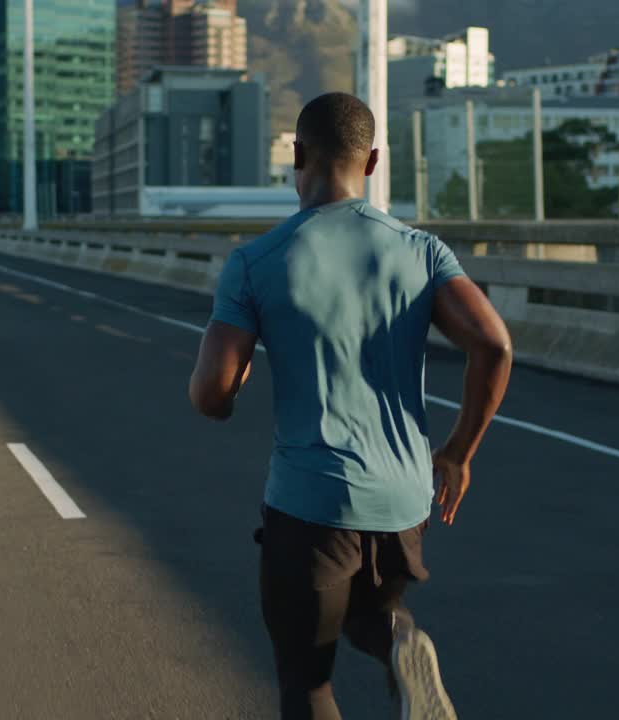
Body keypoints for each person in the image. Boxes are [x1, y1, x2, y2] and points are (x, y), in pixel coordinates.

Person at [188, 92, 513, 719]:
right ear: (372, 162)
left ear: (296, 155)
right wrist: (459, 453)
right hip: (403, 502)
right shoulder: (422, 251)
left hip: (310, 505)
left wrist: (235, 382)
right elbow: (493, 344)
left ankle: (390, 637)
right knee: (371, 613)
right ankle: (399, 639)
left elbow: (210, 396)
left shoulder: (256, 263)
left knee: (307, 680)